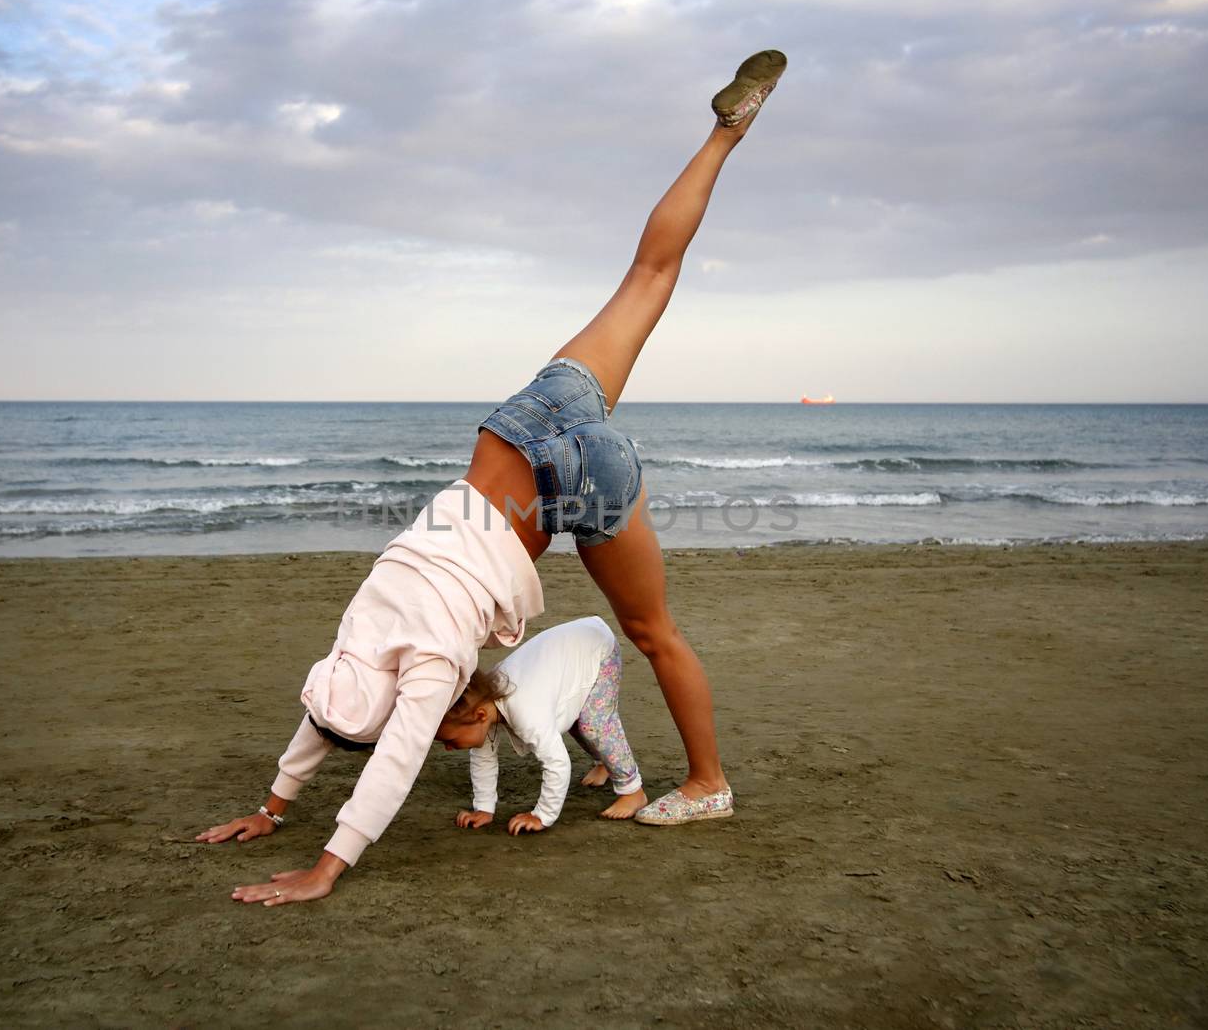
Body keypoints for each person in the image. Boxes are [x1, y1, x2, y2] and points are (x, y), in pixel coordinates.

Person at [196, 50, 787, 904]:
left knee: (655, 633)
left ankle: (709, 785)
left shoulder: (432, 666)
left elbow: (387, 761)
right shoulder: (359, 626)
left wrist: (322, 863)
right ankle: (724, 135)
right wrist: (272, 804)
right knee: (647, 276)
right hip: (522, 430)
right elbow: (327, 714)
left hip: (570, 480)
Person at [437, 616, 649, 834]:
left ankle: (632, 790)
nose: (448, 747)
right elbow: (483, 757)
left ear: (480, 716)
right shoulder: (484, 703)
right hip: (569, 651)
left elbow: (557, 763)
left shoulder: (526, 712)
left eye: (450, 740)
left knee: (594, 724)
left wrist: (541, 816)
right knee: (577, 722)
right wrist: (483, 808)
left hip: (597, 646)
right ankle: (604, 762)